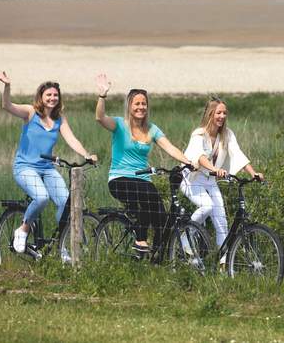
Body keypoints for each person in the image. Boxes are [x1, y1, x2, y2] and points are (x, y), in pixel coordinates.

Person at [0, 71, 97, 255]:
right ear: (41, 96)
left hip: (47, 168)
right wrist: (7, 86)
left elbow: (71, 139)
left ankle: (64, 246)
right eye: (49, 94)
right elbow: (6, 105)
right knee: (41, 197)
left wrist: (86, 154)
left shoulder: (59, 118)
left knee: (67, 203)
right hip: (25, 167)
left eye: (56, 95)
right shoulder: (30, 112)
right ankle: (23, 229)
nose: (52, 98)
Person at [95, 73, 191, 252]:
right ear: (130, 106)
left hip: (143, 180)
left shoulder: (152, 129)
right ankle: (140, 239)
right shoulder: (119, 125)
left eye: (144, 103)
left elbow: (169, 147)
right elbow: (100, 118)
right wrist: (102, 96)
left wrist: (188, 161)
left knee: (162, 219)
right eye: (137, 103)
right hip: (120, 179)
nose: (141, 107)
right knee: (148, 195)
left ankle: (156, 257)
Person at [180, 97, 264, 255]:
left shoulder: (227, 134)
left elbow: (238, 154)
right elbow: (199, 156)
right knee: (207, 206)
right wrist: (214, 169)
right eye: (218, 113)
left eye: (225, 113)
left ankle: (223, 262)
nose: (222, 116)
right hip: (191, 179)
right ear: (210, 114)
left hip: (210, 180)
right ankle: (186, 238)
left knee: (222, 222)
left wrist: (253, 173)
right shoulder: (198, 134)